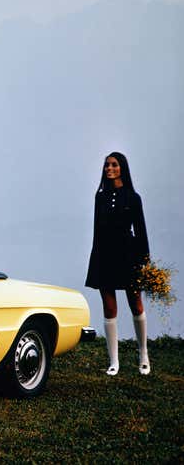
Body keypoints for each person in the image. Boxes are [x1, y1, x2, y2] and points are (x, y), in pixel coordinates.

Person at [86, 152, 150, 375]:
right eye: (106, 165)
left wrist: (145, 262)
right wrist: (95, 258)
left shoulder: (133, 198)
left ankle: (143, 354)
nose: (109, 168)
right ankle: (114, 361)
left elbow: (140, 231)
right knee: (109, 307)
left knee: (136, 303)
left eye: (113, 165)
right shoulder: (100, 197)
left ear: (122, 167)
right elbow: (96, 230)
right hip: (104, 255)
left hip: (128, 255)